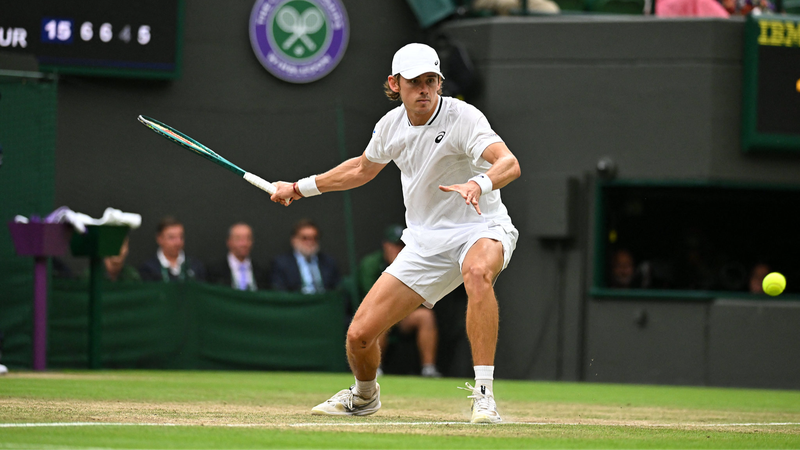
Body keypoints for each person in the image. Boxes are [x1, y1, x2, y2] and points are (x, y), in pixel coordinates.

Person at [270, 43, 520, 423]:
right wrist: (298, 187)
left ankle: (484, 395)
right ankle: (365, 396)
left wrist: (480, 184)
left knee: (477, 273)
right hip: (425, 242)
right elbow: (360, 170)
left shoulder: (463, 116)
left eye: (431, 81)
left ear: (439, 83)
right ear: (394, 83)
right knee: (359, 336)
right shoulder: (390, 126)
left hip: (480, 226)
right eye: (414, 81)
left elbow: (509, 163)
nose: (424, 89)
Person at [359, 224, 442, 378]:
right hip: (380, 313)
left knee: (425, 317)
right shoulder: (371, 263)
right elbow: (370, 296)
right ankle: (375, 369)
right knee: (380, 317)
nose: (398, 249)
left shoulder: (414, 263)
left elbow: (421, 294)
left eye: (402, 245)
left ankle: (428, 368)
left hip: (404, 313)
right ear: (386, 245)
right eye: (395, 245)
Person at [270, 219, 340, 294]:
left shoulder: (328, 263)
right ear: (294, 240)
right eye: (305, 238)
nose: (310, 242)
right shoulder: (281, 264)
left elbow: (337, 290)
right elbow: (279, 292)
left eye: (314, 238)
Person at [139, 216, 206, 282]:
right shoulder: (148, 269)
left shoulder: (195, 266)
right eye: (171, 238)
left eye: (181, 237)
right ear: (159, 239)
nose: (178, 242)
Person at [207, 222, 268, 291]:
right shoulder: (214, 271)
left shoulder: (261, 272)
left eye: (248, 239)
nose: (244, 244)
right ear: (229, 242)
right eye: (239, 239)